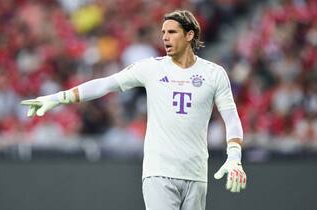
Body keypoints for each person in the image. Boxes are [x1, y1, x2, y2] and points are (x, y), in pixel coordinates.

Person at [21, 10, 247, 210]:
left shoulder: (214, 74)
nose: (165, 37)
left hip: (196, 174)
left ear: (190, 35)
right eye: (163, 32)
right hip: (159, 172)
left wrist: (235, 157)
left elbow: (231, 118)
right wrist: (60, 97)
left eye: (172, 32)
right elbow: (105, 84)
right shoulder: (151, 68)